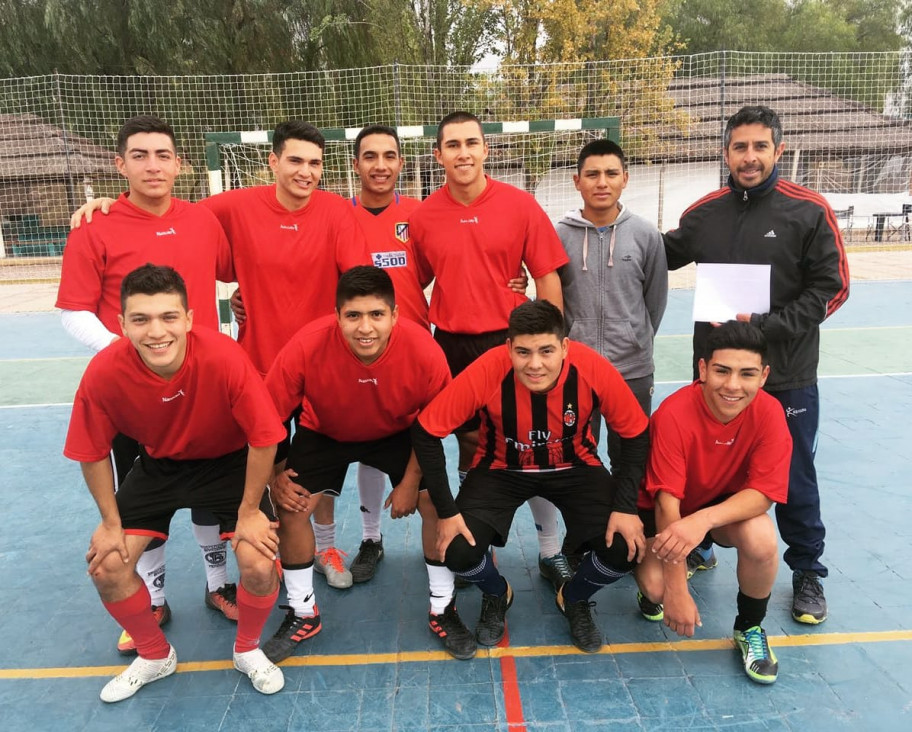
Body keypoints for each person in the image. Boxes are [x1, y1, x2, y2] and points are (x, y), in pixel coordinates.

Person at [58, 115, 239, 655]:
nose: (153, 165)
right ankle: (154, 595)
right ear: (120, 164)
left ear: (180, 165)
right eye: (140, 155)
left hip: (203, 392)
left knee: (209, 492)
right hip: (133, 399)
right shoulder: (95, 226)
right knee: (142, 501)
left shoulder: (204, 220)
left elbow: (236, 268)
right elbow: (72, 311)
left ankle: (217, 584)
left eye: (163, 155)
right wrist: (134, 356)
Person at [64, 264, 286, 702]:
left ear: (188, 319)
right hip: (159, 467)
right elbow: (90, 452)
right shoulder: (105, 371)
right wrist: (109, 522)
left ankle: (247, 650)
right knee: (107, 565)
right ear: (121, 323)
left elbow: (264, 439)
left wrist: (249, 511)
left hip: (228, 465)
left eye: (168, 317)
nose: (156, 331)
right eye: (141, 319)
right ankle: (154, 655)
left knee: (259, 562)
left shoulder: (224, 358)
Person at [664, 105, 849, 623]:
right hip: (715, 375)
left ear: (778, 151)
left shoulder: (808, 211)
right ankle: (699, 540)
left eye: (759, 147)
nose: (749, 157)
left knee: (792, 474)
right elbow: (656, 256)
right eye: (739, 147)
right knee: (705, 463)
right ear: (726, 152)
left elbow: (832, 290)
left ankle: (807, 570)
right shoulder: (705, 212)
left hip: (784, 375)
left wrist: (767, 329)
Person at [262, 266, 476, 661]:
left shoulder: (424, 350)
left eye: (376, 315)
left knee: (435, 503)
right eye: (353, 315)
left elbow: (432, 427)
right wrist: (276, 475)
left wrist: (411, 482)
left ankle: (443, 608)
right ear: (337, 315)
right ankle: (302, 612)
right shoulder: (306, 346)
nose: (365, 327)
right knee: (290, 507)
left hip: (399, 433)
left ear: (395, 315)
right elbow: (269, 418)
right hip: (324, 432)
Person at [411, 300, 650, 653]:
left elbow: (635, 434)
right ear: (508, 347)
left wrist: (626, 507)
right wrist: (447, 513)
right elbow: (426, 431)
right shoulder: (490, 368)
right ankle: (497, 593)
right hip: (501, 468)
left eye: (546, 351)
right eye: (523, 352)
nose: (534, 364)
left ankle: (574, 597)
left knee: (625, 548)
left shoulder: (591, 368)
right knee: (456, 550)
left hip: (575, 467)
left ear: (565, 347)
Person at [410, 111, 574, 590]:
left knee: (534, 442)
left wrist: (551, 346)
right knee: (470, 446)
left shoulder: (520, 206)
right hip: (453, 345)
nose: (463, 153)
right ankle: (474, 539)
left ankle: (549, 551)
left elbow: (547, 278)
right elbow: (410, 283)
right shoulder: (423, 216)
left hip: (511, 345)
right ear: (438, 154)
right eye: (452, 145)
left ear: (486, 150)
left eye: (471, 143)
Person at [634, 321, 792, 684]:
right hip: (664, 514)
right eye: (722, 371)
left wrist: (701, 521)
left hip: (711, 511)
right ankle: (664, 572)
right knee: (658, 591)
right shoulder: (674, 414)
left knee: (763, 539)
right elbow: (666, 508)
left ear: (764, 376)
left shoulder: (769, 413)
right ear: (703, 369)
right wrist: (676, 592)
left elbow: (763, 494)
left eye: (747, 374)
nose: (733, 385)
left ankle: (749, 628)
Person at [557, 138, 668, 468]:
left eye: (610, 173)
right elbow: (553, 299)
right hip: (577, 368)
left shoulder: (647, 235)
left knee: (630, 458)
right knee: (579, 458)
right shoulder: (559, 235)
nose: (601, 182)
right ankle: (589, 520)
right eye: (592, 174)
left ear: (625, 178)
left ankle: (629, 518)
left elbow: (655, 301)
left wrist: (636, 338)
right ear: (577, 181)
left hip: (632, 370)